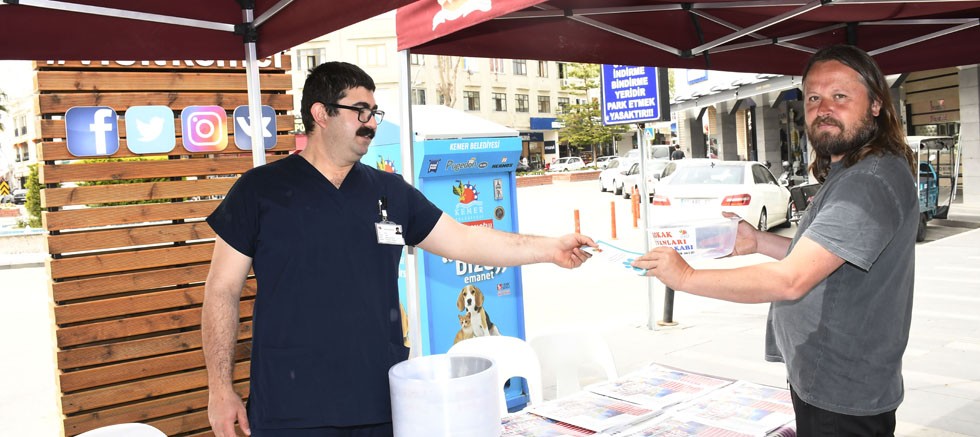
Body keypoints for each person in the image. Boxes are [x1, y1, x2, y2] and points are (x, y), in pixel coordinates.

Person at [202, 61, 596, 437]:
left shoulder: (389, 192)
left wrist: (550, 249)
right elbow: (222, 290)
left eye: (374, 112)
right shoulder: (260, 190)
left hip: (378, 403)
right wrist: (219, 389)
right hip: (291, 408)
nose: (372, 123)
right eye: (360, 111)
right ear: (321, 114)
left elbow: (465, 240)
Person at [633, 44, 918, 435]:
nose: (823, 108)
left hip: (842, 395)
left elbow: (791, 279)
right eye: (813, 97)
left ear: (875, 104)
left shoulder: (867, 182)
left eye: (840, 96)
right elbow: (822, 256)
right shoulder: (857, 169)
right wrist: (757, 241)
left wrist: (685, 277)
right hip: (831, 380)